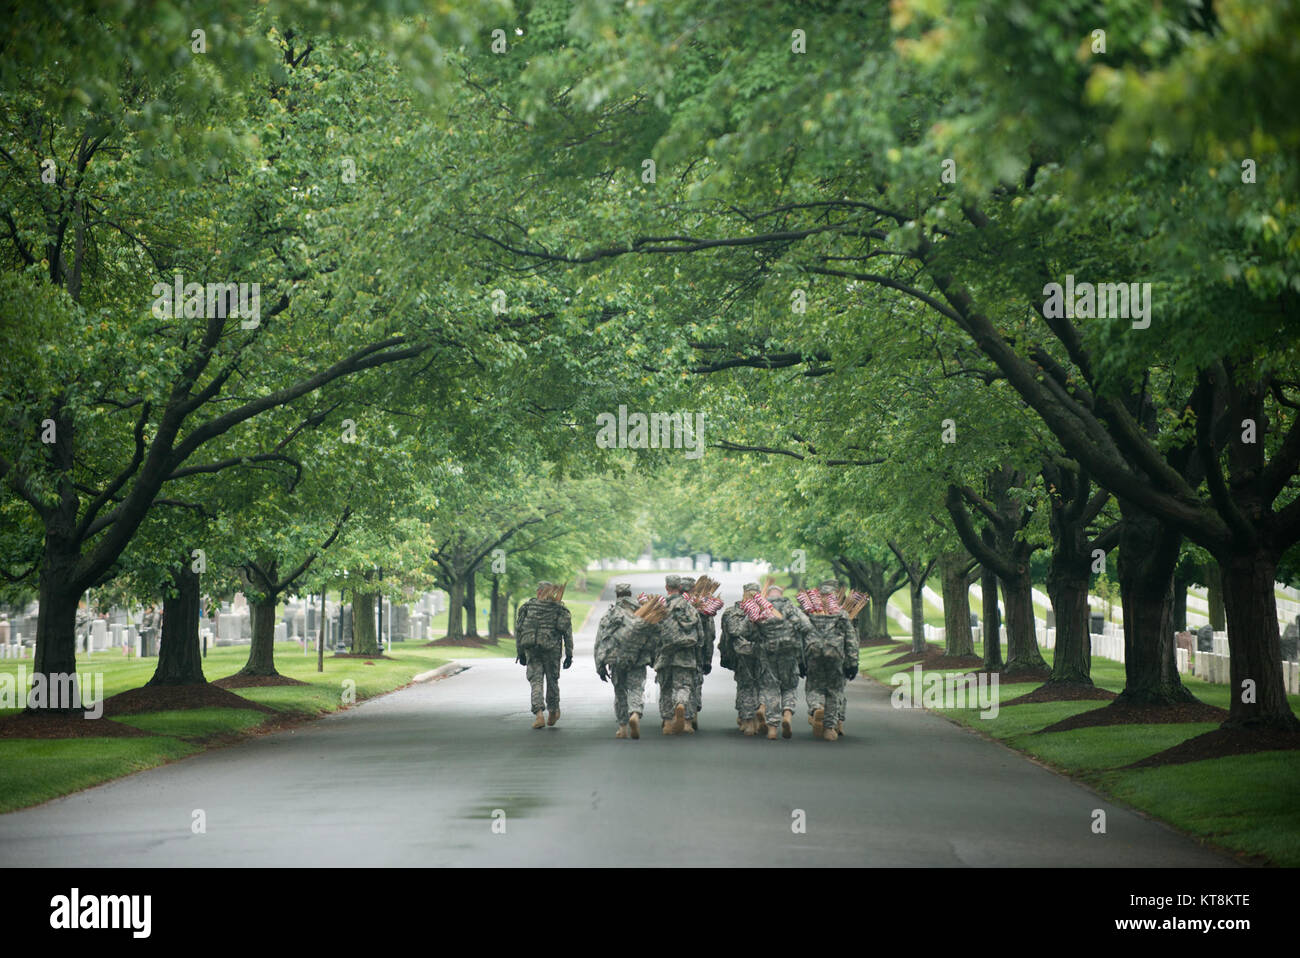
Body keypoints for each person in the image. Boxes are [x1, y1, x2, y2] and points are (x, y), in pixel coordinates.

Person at [594, 583, 656, 739]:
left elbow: (600, 641)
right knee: (636, 688)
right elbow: (653, 636)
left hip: (616, 660)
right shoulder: (643, 613)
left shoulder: (610, 615)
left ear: (617, 595)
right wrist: (654, 658)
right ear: (630, 594)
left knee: (620, 692)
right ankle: (635, 712)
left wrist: (600, 665)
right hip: (638, 658)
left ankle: (622, 728)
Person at [802, 581, 860, 741]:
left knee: (813, 686)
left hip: (813, 655)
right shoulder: (842, 615)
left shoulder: (809, 614)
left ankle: (817, 707)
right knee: (834, 692)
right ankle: (829, 728)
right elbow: (851, 640)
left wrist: (800, 661)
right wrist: (853, 663)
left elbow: (800, 636)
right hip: (836, 657)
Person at [754, 583, 812, 739]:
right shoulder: (791, 608)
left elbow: (746, 629)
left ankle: (772, 728)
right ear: (781, 594)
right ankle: (787, 715)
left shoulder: (761, 609)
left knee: (771, 689)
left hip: (769, 654)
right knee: (789, 687)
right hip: (789, 654)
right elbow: (806, 626)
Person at [514, 581, 573, 729]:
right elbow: (566, 632)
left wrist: (520, 652)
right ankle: (553, 710)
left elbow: (519, 631)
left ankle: (539, 713)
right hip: (552, 649)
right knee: (552, 680)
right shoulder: (559, 609)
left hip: (531, 648)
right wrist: (569, 654)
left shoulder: (527, 608)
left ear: (538, 592)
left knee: (536, 681)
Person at [652, 574, 702, 735]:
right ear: (680, 588)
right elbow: (700, 635)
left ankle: (667, 723)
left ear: (667, 587)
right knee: (684, 686)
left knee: (666, 688)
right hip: (685, 655)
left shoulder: (660, 608)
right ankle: (683, 711)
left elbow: (653, 634)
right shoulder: (691, 609)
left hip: (665, 655)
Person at [720, 582, 764, 735]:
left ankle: (747, 721)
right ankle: (758, 717)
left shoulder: (731, 612)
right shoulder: (766, 611)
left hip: (741, 654)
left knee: (745, 686)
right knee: (760, 685)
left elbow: (727, 636)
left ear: (744, 593)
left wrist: (726, 657)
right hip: (761, 653)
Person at [679, 575, 714, 730]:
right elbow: (709, 635)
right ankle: (691, 717)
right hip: (696, 653)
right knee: (694, 684)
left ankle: (673, 713)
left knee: (674, 685)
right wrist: (708, 659)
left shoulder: (666, 605)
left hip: (672, 654)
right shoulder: (703, 608)